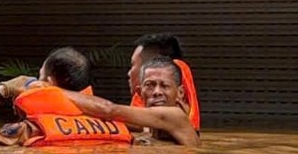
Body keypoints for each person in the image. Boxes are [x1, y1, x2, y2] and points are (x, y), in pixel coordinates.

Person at [0, 47, 133, 147]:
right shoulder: (117, 126)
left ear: (47, 83)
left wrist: (1, 92)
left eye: (38, 77)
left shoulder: (28, 130)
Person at [68, 56, 200, 147]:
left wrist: (53, 91)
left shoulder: (175, 116)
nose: (157, 92)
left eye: (164, 86)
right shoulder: (145, 128)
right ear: (140, 92)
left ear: (180, 93)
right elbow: (101, 118)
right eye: (150, 85)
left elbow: (109, 110)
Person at [128, 33, 200, 131]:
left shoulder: (178, 68)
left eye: (133, 65)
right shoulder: (142, 92)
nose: (129, 73)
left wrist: (108, 112)